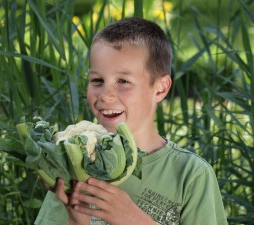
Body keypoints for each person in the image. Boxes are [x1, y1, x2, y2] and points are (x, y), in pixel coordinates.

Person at [34, 17, 228, 225]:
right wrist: (78, 219)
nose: (105, 95)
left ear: (160, 88)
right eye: (97, 80)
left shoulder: (191, 175)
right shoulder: (74, 164)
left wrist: (133, 219)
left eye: (123, 82)